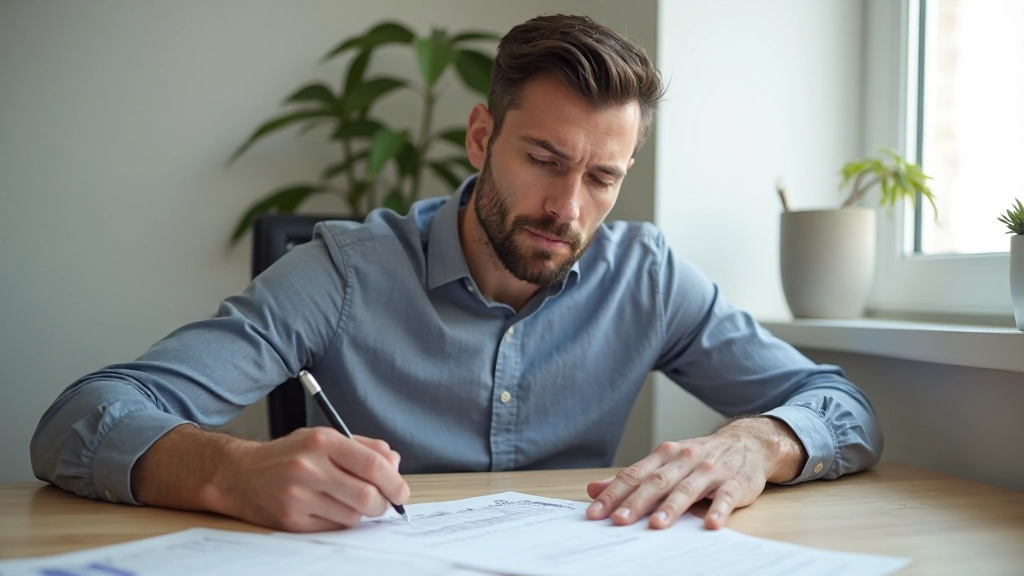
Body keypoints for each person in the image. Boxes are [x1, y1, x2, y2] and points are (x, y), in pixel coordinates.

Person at [31, 14, 881, 534]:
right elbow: (78, 422)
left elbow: (841, 408)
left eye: (601, 177)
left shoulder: (647, 276)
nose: (567, 208)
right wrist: (226, 470)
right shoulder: (345, 271)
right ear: (480, 138)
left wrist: (754, 443)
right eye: (544, 159)